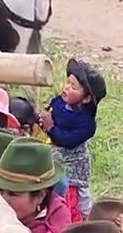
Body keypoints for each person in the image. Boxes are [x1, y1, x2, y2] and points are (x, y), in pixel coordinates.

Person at [40, 58, 105, 218]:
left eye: (73, 87)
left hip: (74, 166)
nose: (66, 88)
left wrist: (51, 128)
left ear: (87, 98)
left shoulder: (86, 123)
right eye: (67, 83)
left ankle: (78, 222)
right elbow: (51, 110)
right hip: (55, 157)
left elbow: (68, 141)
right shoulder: (59, 102)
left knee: (75, 197)